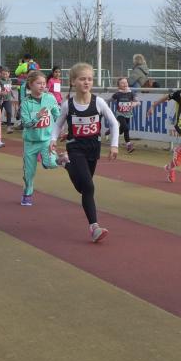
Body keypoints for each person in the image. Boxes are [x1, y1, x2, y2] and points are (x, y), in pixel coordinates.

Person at [50, 62, 120, 243]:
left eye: (89, 79)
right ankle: (94, 227)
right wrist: (52, 139)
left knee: (82, 188)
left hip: (93, 149)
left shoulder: (99, 102)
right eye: (82, 79)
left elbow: (114, 123)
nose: (86, 82)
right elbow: (58, 124)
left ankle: (65, 163)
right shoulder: (68, 105)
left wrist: (114, 145)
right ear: (73, 81)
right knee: (89, 187)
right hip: (75, 147)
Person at [20, 70, 64, 206]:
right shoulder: (26, 103)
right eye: (38, 83)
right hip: (30, 142)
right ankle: (27, 194)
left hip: (46, 140)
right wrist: (37, 117)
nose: (42, 86)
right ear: (30, 84)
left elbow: (57, 115)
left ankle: (46, 161)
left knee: (51, 163)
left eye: (44, 83)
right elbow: (26, 123)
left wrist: (60, 129)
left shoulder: (50, 98)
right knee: (29, 172)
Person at [111, 77, 138, 153]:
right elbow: (110, 100)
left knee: (122, 130)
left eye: (126, 82)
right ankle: (129, 145)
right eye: (122, 83)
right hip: (119, 114)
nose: (125, 84)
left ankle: (112, 131)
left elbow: (138, 101)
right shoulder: (117, 94)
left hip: (128, 114)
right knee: (126, 128)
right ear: (119, 85)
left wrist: (135, 103)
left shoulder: (131, 93)